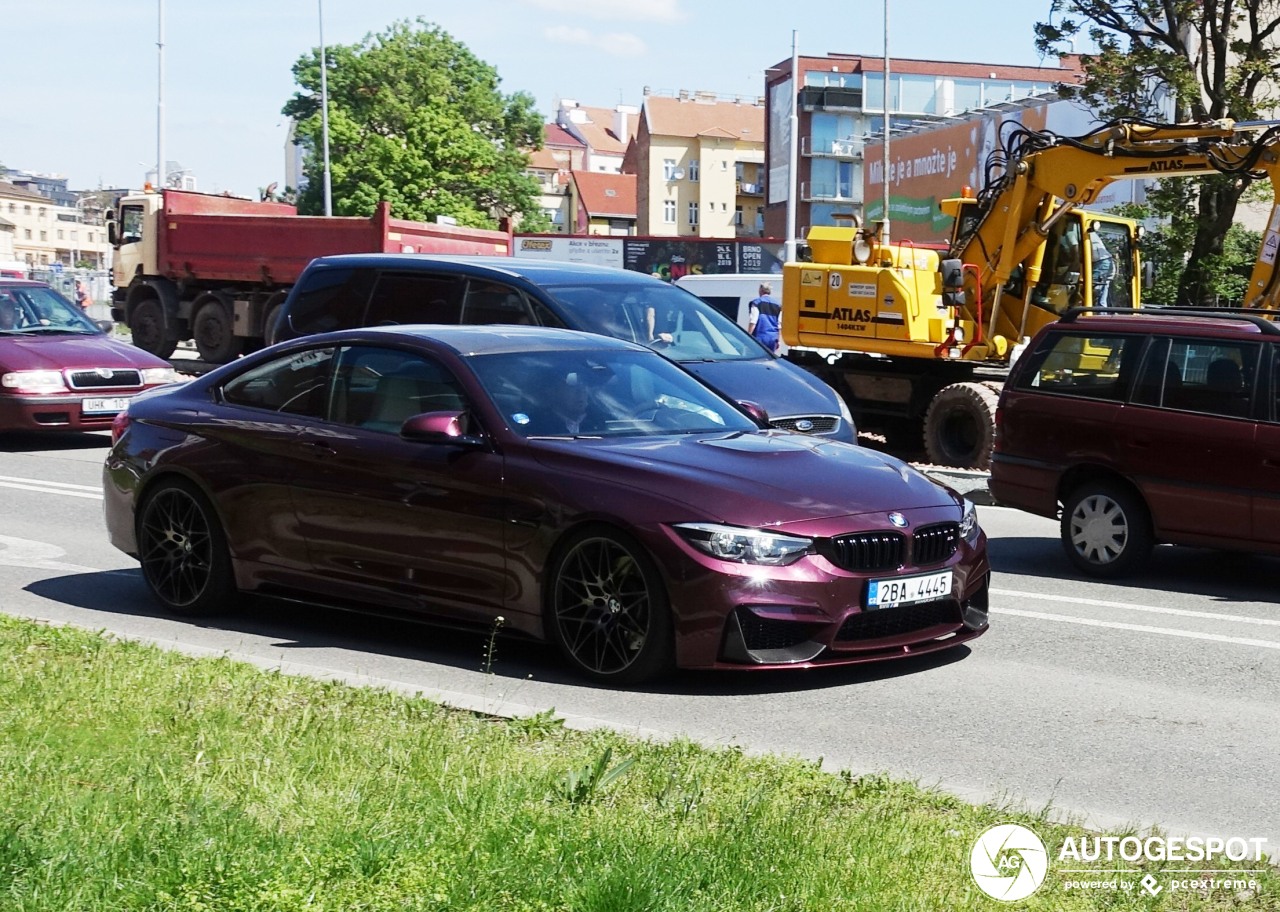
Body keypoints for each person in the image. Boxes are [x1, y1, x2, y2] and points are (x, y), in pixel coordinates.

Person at [747, 282, 782, 353]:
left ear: (761, 290)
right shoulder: (778, 305)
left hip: (760, 337)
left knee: (757, 360)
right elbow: (779, 324)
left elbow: (753, 321)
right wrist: (778, 340)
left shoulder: (756, 302)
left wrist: (748, 337)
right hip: (773, 338)